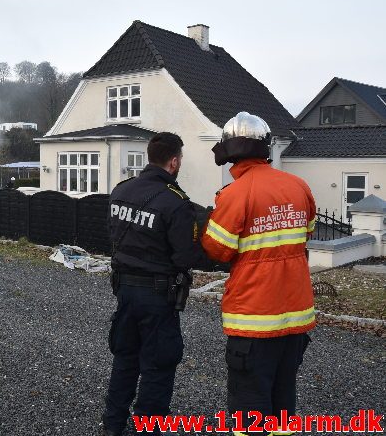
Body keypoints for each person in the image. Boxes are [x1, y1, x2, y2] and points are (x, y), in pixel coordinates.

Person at [201, 112, 316, 436]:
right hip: (294, 315)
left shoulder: (235, 194)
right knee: (282, 406)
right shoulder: (298, 186)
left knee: (249, 412)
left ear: (229, 151)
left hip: (254, 319)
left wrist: (205, 225)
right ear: (265, 147)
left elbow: (218, 250)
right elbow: (305, 233)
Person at [102, 132, 212, 436]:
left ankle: (112, 425)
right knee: (158, 365)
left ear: (150, 156)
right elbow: (185, 256)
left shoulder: (120, 191)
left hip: (124, 290)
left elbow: (113, 236)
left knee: (125, 358)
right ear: (174, 161)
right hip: (158, 294)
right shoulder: (175, 202)